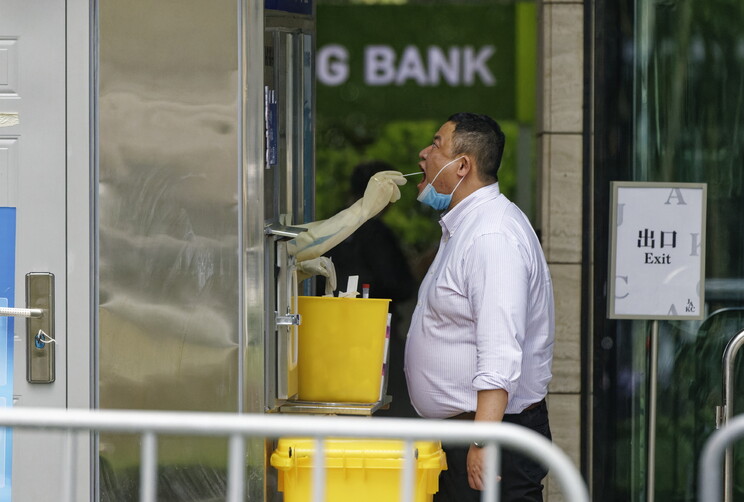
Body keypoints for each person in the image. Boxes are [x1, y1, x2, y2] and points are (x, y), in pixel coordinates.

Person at [403, 113, 555, 502]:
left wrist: (483, 442)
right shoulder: (467, 227)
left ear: (463, 165)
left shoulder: (492, 235)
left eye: (436, 144)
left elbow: (500, 349)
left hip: (490, 434)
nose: (423, 154)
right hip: (468, 432)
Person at [316, 161, 418, 417]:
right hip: (374, 335)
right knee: (379, 406)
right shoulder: (375, 233)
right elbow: (400, 284)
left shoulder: (331, 226)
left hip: (324, 332)